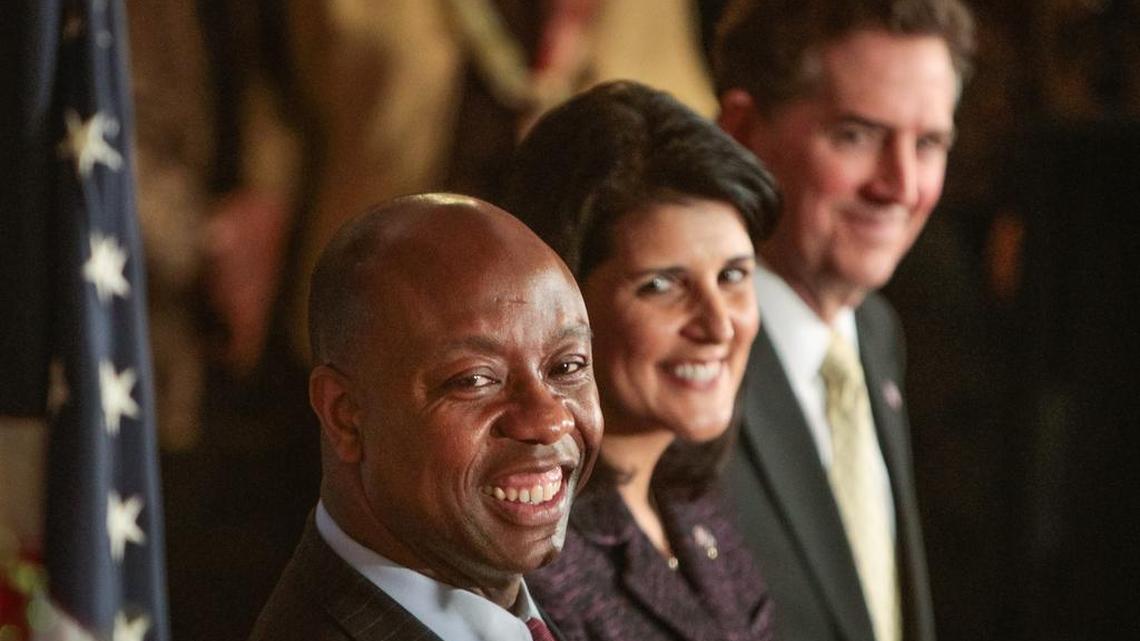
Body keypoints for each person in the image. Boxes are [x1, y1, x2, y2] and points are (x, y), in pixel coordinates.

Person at [712, 2, 976, 641]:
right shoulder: (684, 359)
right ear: (743, 130)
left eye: (929, 144)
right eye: (857, 135)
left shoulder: (878, 333)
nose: (902, 185)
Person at [248, 193, 603, 641]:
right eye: (475, 380)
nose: (549, 421)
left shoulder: (568, 605)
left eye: (567, 367)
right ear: (345, 415)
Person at [501, 80, 780, 641]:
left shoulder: (692, 500)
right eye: (662, 286)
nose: (718, 324)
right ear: (560, 303)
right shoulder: (530, 562)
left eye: (732, 277)